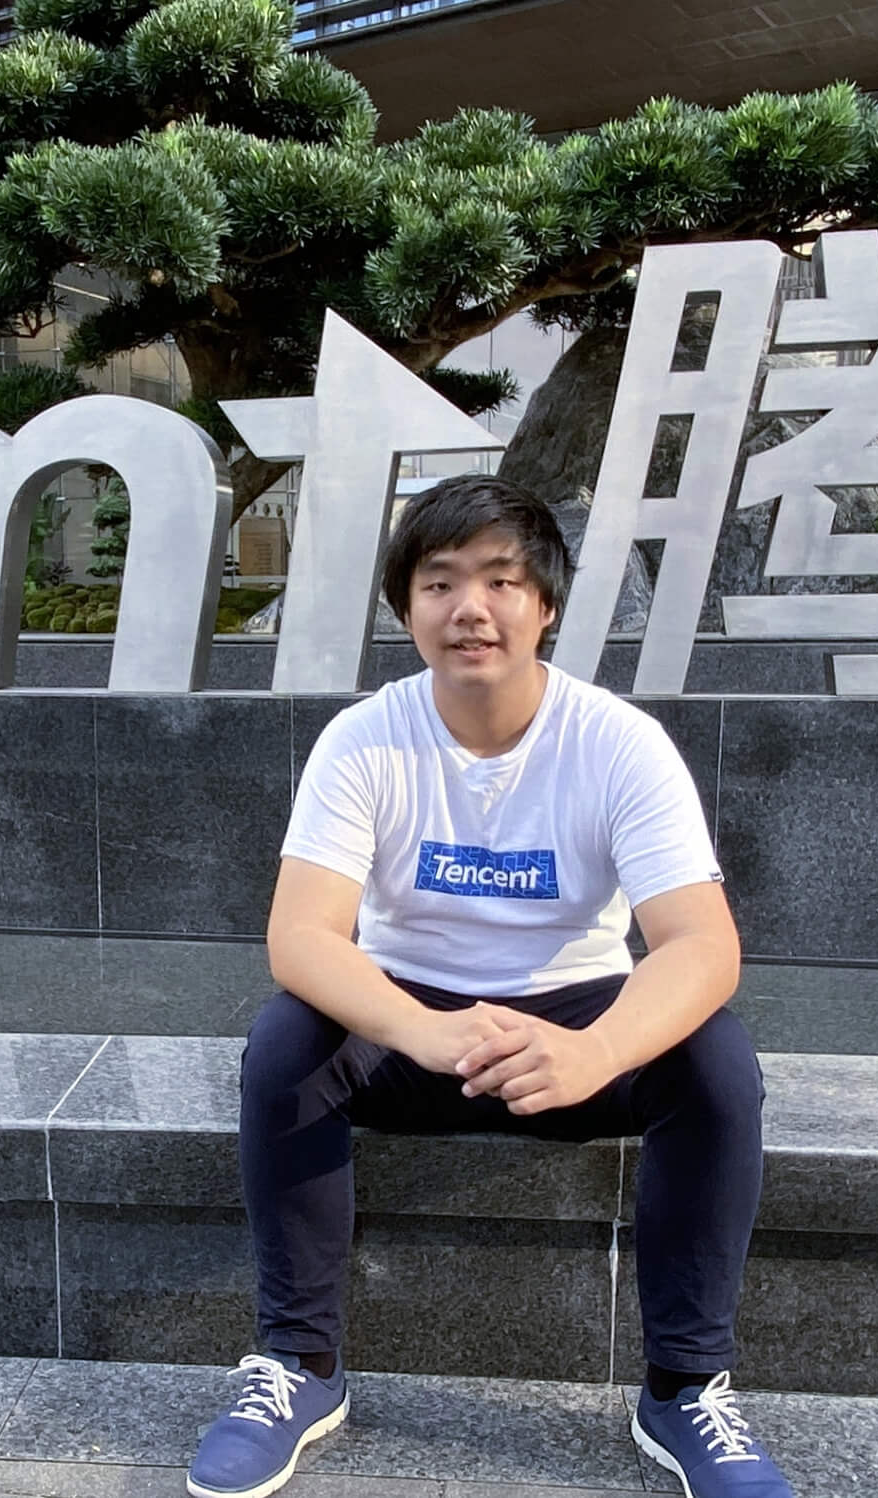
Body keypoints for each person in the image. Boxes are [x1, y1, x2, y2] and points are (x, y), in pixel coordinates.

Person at [185, 474, 789, 1498]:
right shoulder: (363, 739)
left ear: (543, 604)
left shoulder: (616, 743)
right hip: (411, 1021)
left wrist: (595, 1049)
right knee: (288, 1041)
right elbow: (300, 937)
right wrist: (422, 1030)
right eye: (440, 581)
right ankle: (299, 1364)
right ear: (406, 607)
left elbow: (698, 944)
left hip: (575, 1022)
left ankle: (685, 1388)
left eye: (501, 580)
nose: (471, 607)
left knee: (714, 1060)